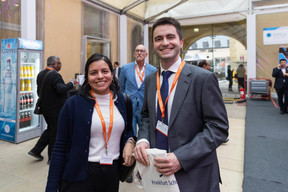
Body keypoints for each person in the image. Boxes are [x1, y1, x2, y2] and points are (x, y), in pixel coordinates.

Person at [133, 17, 229, 192]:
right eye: (158, 39)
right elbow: (146, 116)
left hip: (194, 174)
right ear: (153, 45)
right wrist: (143, 139)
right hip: (157, 174)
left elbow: (218, 127)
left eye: (170, 37)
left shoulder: (203, 79)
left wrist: (181, 158)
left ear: (181, 42)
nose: (165, 43)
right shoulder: (149, 80)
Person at [45, 53, 136, 192]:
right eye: (93, 73)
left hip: (111, 174)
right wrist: (51, 187)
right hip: (79, 176)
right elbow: (59, 147)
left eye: (105, 71)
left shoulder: (123, 101)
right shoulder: (73, 104)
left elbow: (129, 130)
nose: (100, 76)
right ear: (87, 77)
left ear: (112, 74)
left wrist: (130, 141)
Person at [28, 56, 76, 164]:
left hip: (45, 108)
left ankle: (36, 150)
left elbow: (40, 90)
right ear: (53, 64)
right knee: (54, 132)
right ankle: (52, 158)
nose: (60, 64)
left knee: (51, 129)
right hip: (55, 110)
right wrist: (71, 83)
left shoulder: (41, 74)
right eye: (59, 63)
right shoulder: (55, 75)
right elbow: (61, 89)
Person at [119, 44, 157, 137]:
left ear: (146, 54)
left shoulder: (153, 70)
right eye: (137, 51)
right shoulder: (125, 68)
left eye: (142, 51)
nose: (139, 53)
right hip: (129, 106)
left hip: (145, 107)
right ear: (134, 54)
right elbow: (121, 87)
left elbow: (154, 90)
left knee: (145, 133)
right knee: (130, 133)